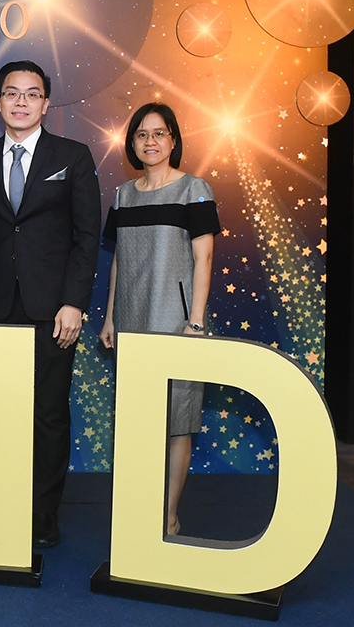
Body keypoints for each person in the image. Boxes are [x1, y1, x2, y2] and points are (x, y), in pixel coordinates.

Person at [0, 60, 101, 549]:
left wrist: (74, 303)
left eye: (31, 94)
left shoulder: (73, 156)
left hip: (53, 310)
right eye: (11, 93)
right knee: (7, 411)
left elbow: (86, 237)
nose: (20, 101)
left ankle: (43, 512)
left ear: (45, 103)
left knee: (48, 413)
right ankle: (7, 501)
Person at [98, 102, 218, 536]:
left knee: (176, 422)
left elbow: (204, 258)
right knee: (139, 418)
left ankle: (168, 515)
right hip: (131, 321)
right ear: (132, 143)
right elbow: (118, 261)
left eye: (159, 133)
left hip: (177, 322)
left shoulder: (194, 189)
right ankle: (141, 508)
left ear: (173, 140)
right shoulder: (122, 195)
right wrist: (110, 317)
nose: (150, 141)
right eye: (141, 134)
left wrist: (196, 322)